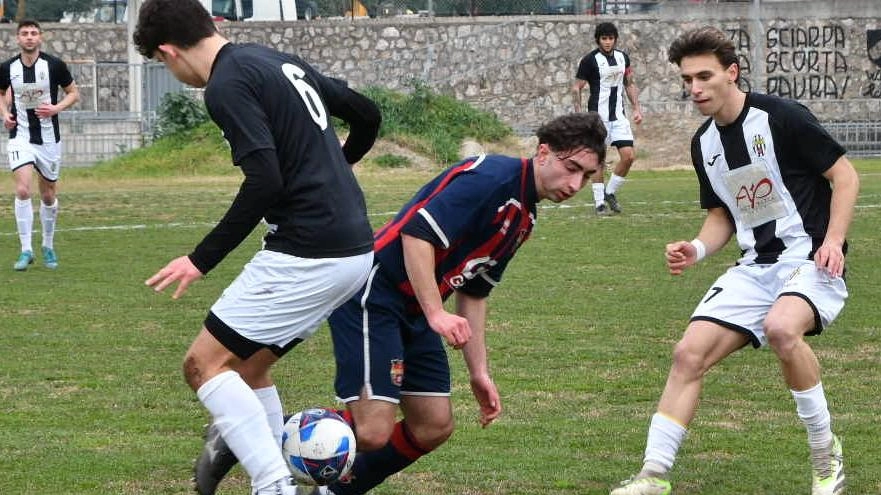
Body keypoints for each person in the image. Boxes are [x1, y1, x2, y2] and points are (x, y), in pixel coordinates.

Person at [193, 112, 609, 495]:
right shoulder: (492, 177)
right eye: (571, 168)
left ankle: (330, 490)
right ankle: (246, 429)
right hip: (376, 292)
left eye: (587, 176)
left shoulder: (524, 216)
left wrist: (479, 373)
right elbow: (416, 235)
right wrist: (435, 313)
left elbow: (476, 292)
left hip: (416, 311)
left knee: (433, 426)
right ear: (542, 152)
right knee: (373, 431)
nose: (575, 185)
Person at [133, 0, 382, 494]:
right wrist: (338, 164)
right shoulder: (272, 59)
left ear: (169, 51)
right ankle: (272, 482)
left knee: (202, 365)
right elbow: (368, 114)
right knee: (247, 368)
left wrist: (199, 259)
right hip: (352, 246)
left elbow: (263, 179)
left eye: (162, 63)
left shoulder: (225, 85)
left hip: (310, 250)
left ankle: (273, 487)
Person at [610, 26, 858, 495]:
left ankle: (827, 457)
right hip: (758, 265)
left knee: (784, 329)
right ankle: (653, 475)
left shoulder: (782, 117)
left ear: (732, 72)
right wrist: (696, 248)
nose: (695, 88)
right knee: (688, 354)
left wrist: (834, 240)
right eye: (687, 80)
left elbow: (844, 177)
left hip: (811, 257)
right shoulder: (704, 144)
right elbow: (724, 217)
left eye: (704, 76)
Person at [0, 19, 79, 271]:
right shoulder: (7, 68)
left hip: (48, 140)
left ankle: (47, 245)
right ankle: (26, 250)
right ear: (18, 38)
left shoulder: (54, 65)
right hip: (21, 137)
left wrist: (56, 108)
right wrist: (5, 113)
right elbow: (1, 94)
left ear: (41, 37)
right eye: (25, 33)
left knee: (48, 195)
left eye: (34, 33)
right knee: (23, 190)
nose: (29, 37)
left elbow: (74, 93)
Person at [572, 21, 643, 215]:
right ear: (598, 40)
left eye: (611, 38)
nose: (608, 42)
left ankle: (610, 192)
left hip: (619, 116)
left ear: (615, 39)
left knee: (629, 156)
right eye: (604, 38)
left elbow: (629, 83)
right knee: (598, 160)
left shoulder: (623, 58)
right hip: (597, 118)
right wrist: (579, 113)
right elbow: (576, 87)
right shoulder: (589, 61)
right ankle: (599, 203)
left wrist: (636, 108)